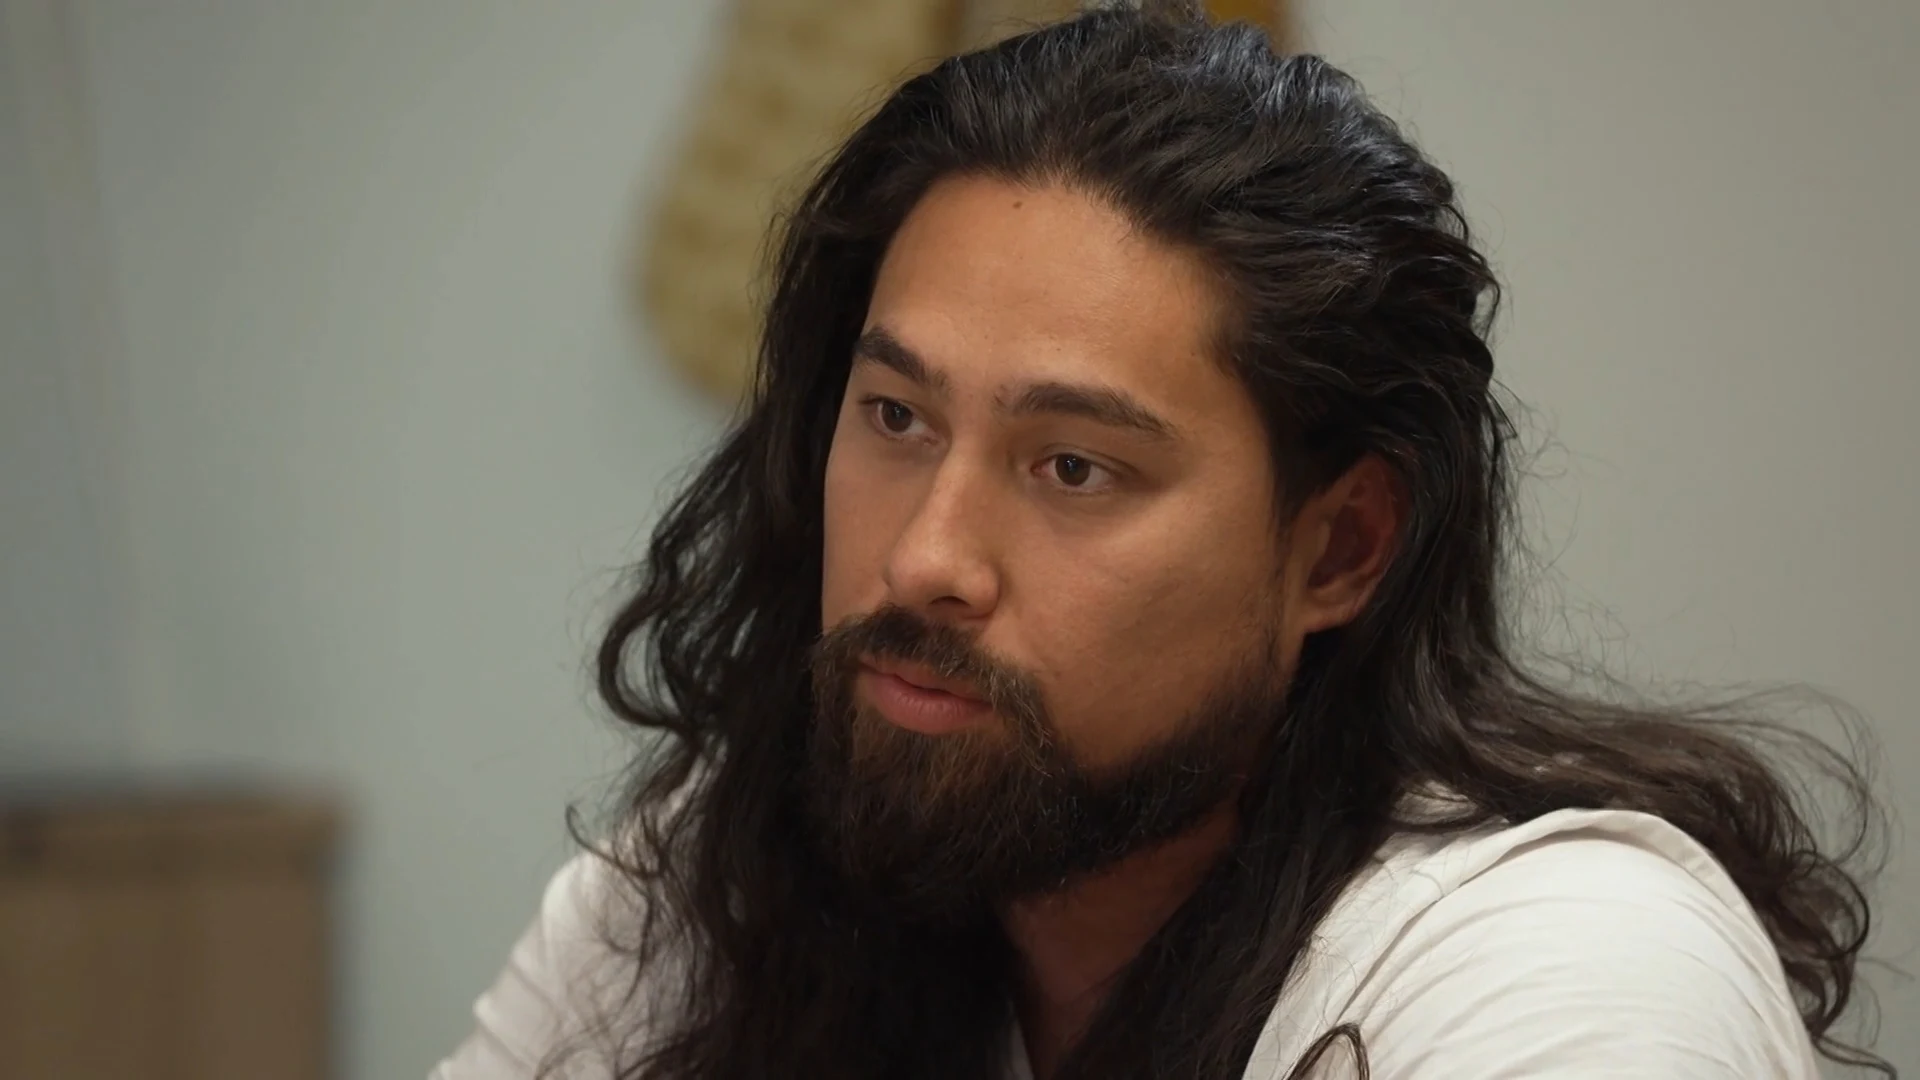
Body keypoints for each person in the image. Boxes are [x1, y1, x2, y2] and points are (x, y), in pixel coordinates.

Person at [435, 3, 1890, 1077]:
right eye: (896, 417)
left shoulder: (1561, 964)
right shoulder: (709, 885)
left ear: (1339, 551)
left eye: (1073, 466)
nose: (927, 558)